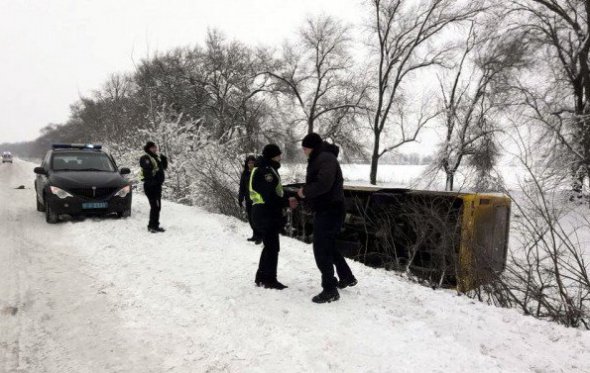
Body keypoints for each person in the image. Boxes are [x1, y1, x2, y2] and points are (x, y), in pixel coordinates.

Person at [297, 133, 357, 303]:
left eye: (305, 148)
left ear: (312, 147)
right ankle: (346, 277)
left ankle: (329, 289)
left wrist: (305, 191)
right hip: (329, 210)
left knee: (321, 249)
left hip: (329, 211)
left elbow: (324, 184)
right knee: (328, 245)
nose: (304, 152)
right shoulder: (322, 158)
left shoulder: (325, 158)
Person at [250, 144, 298, 289]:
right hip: (265, 213)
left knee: (269, 246)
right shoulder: (265, 172)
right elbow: (269, 195)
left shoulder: (266, 168)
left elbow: (275, 191)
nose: (280, 157)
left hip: (263, 212)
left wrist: (289, 194)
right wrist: (287, 202)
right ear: (272, 156)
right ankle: (270, 280)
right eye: (278, 155)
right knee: (272, 247)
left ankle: (261, 277)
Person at [140, 141, 168, 233]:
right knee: (155, 206)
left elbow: (162, 168)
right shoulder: (145, 158)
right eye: (153, 147)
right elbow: (147, 171)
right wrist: (153, 182)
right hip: (151, 186)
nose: (155, 149)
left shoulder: (156, 157)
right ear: (149, 148)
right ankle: (152, 226)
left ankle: (155, 225)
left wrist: (164, 160)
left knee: (157, 206)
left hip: (157, 186)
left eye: (155, 147)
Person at [239, 155, 262, 244]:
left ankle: (260, 236)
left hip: (257, 200)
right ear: (246, 164)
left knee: (256, 219)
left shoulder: (258, 172)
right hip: (248, 199)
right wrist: (240, 199)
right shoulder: (245, 173)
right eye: (249, 163)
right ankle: (255, 235)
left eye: (252, 162)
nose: (251, 164)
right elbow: (242, 187)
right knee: (251, 219)